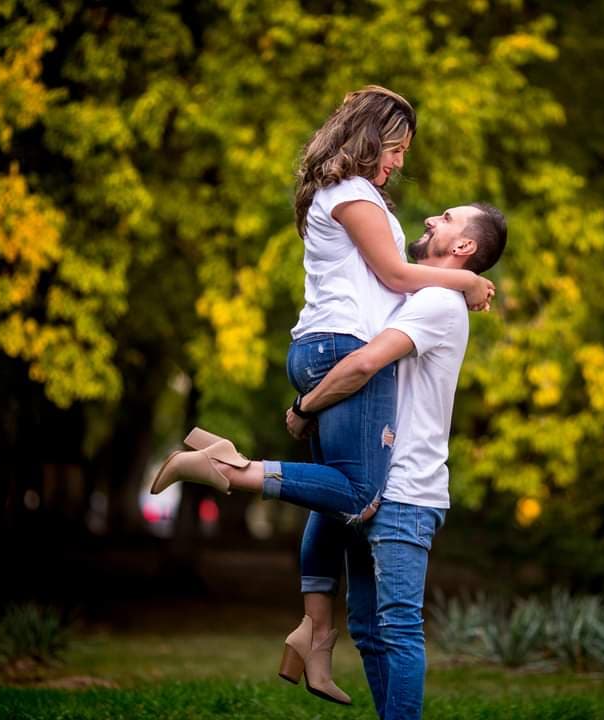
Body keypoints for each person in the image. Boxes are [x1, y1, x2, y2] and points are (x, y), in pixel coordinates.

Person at [161, 85, 492, 705]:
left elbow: (390, 290)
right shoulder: (358, 200)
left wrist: (304, 405)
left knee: (336, 494)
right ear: (373, 138)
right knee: (356, 492)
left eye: (446, 220)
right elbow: (392, 281)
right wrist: (467, 280)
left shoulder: (368, 218)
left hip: (332, 358)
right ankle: (231, 468)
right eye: (397, 148)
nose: (401, 163)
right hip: (340, 349)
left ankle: (314, 630)